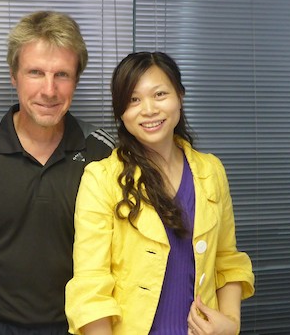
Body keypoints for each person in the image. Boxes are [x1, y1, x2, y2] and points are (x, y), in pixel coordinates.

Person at [0, 11, 115, 335]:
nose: (49, 90)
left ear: (76, 80)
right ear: (14, 76)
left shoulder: (103, 153)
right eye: (35, 72)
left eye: (62, 74)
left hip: (80, 325)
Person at [65, 51, 254, 335]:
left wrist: (230, 322)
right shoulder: (101, 178)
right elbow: (90, 285)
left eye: (160, 94)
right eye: (133, 100)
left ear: (180, 96)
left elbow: (227, 259)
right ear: (121, 112)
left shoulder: (211, 171)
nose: (149, 109)